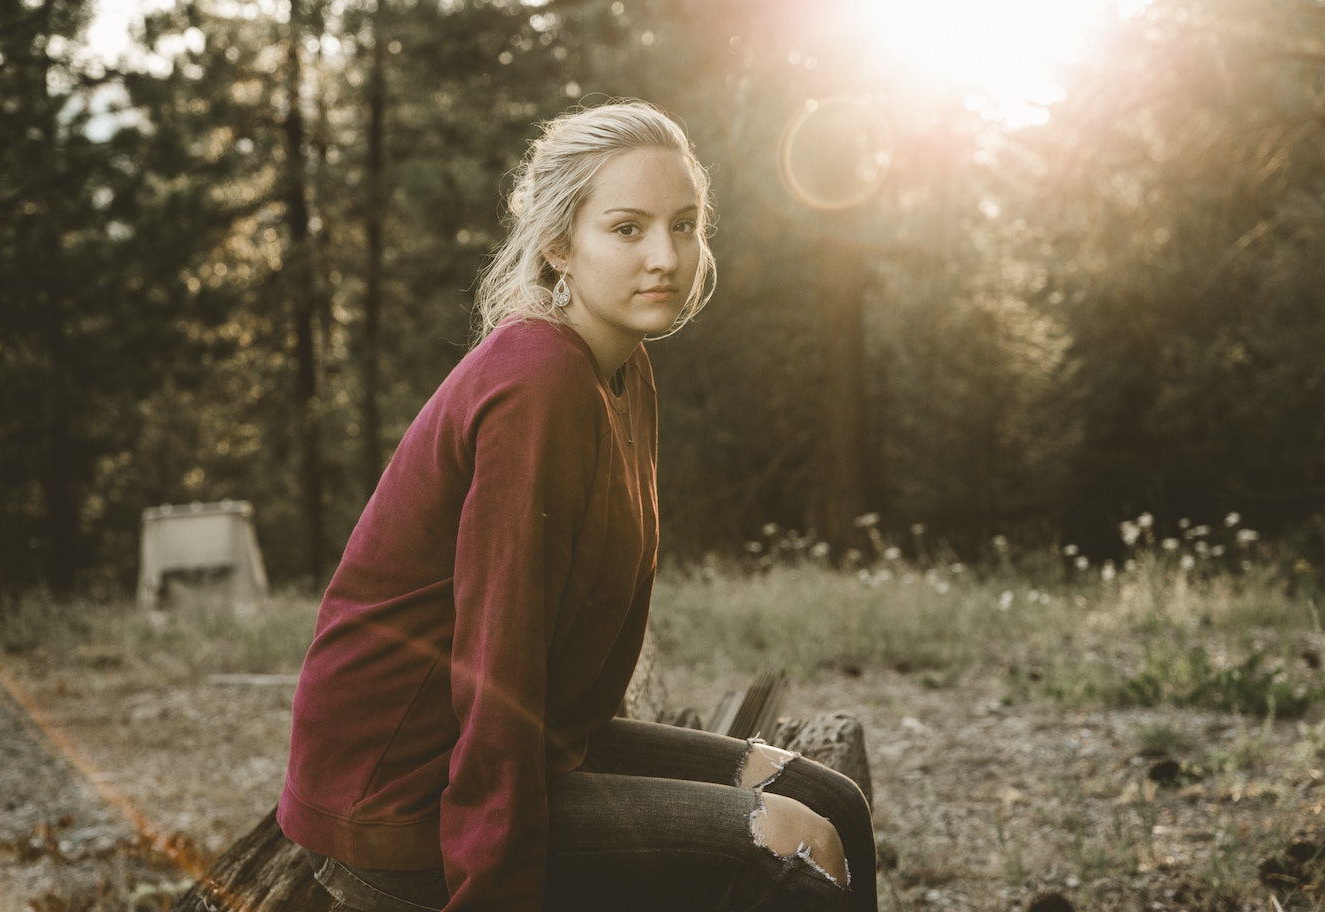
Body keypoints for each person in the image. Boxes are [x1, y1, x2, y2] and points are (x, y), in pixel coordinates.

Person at [277, 98, 877, 912]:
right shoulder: (540, 382)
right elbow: (500, 650)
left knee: (831, 799)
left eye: (685, 224)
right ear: (560, 244)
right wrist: (495, 885)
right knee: (800, 848)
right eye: (627, 229)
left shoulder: (624, 369)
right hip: (408, 796)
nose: (666, 256)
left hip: (541, 745)